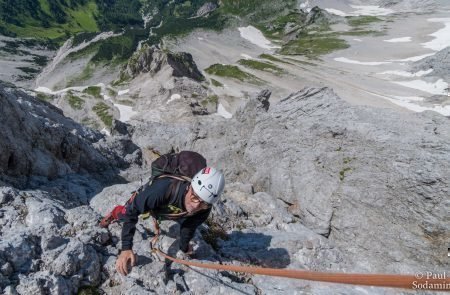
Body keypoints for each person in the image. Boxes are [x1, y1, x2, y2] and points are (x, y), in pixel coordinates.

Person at [115, 167, 225, 276]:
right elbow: (132, 210)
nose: (196, 206)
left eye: (203, 203)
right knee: (121, 215)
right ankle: (112, 215)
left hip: (173, 212)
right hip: (155, 203)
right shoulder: (163, 189)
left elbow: (189, 227)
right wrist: (126, 248)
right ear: (190, 187)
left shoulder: (205, 209)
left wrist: (184, 247)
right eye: (195, 197)